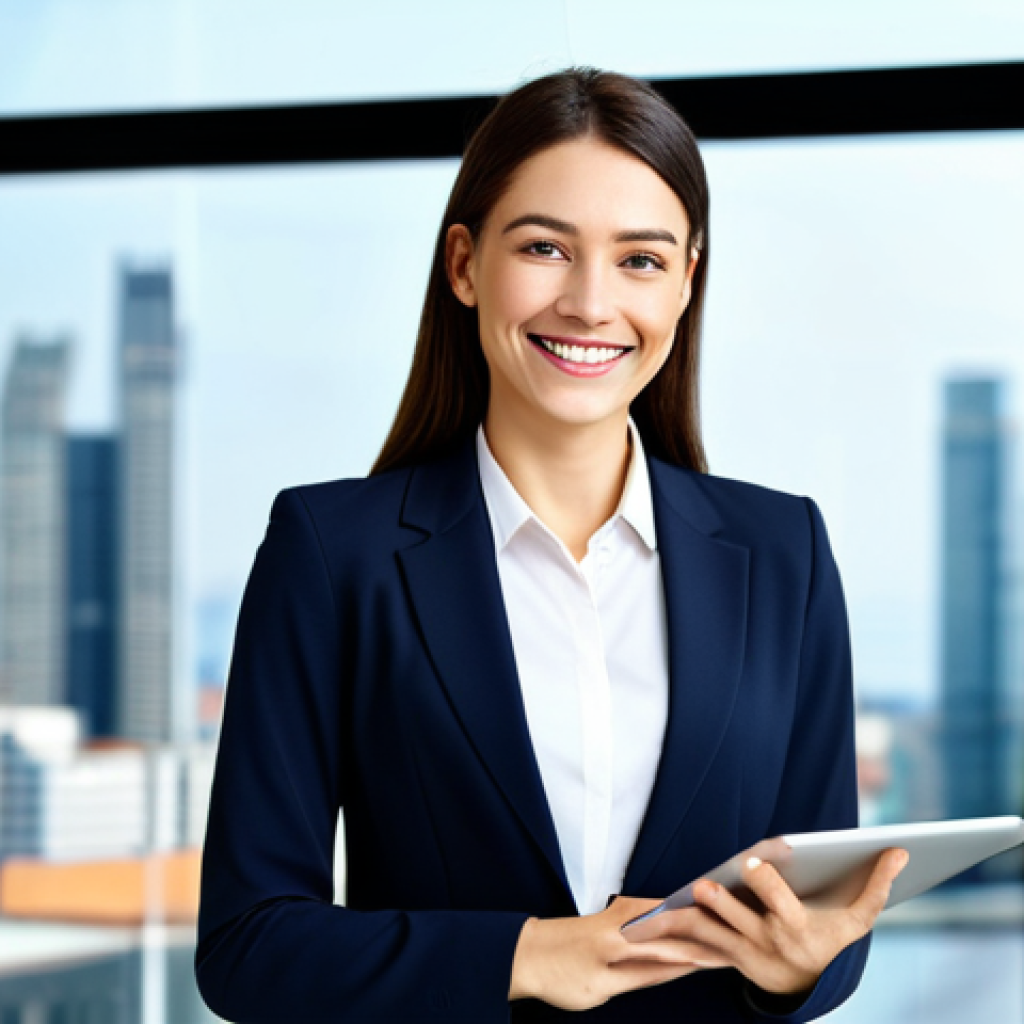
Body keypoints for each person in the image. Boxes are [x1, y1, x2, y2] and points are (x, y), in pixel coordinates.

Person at [194, 67, 907, 1023]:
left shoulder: (787, 556)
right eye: (544, 248)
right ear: (463, 265)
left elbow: (820, 930)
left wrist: (799, 967)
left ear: (687, 284)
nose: (589, 302)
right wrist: (524, 955)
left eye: (640, 260)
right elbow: (247, 945)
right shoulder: (331, 555)